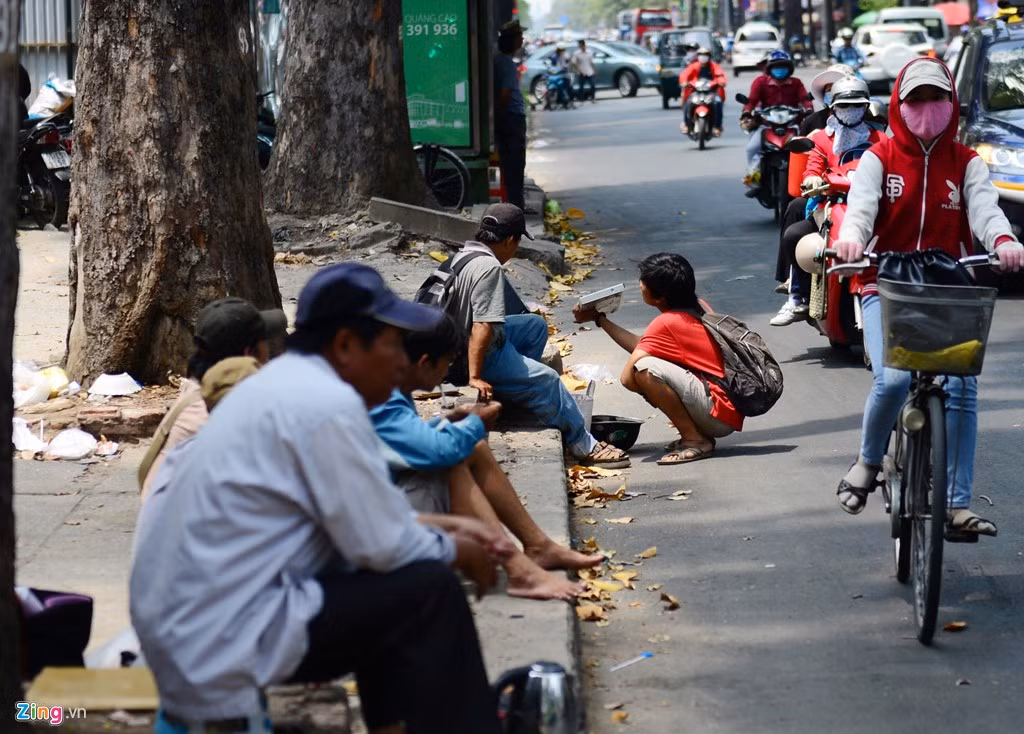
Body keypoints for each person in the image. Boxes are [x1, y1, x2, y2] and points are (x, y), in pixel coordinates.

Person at [131, 263, 510, 733]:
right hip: (216, 639)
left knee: (390, 591)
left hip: (188, 627)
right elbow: (381, 546)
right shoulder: (326, 403)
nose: (401, 361)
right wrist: (458, 548)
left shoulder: (286, 385)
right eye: (392, 344)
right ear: (346, 345)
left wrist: (452, 529)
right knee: (431, 590)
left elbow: (360, 524)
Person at [832, 58, 1024, 533]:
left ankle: (956, 505)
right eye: (915, 98)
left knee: (961, 387)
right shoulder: (879, 158)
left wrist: (1003, 240)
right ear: (899, 103)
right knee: (893, 380)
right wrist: (852, 240)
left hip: (946, 289)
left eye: (936, 97)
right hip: (885, 284)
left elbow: (986, 211)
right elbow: (859, 211)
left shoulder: (966, 162)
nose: (926, 106)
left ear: (951, 102)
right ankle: (867, 463)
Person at [371, 313, 603, 601]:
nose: (446, 373)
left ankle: (537, 545)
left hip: (388, 501)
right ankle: (519, 569)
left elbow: (402, 442)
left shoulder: (389, 388)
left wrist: (449, 421)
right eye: (447, 364)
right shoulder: (382, 397)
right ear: (424, 362)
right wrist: (474, 424)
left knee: (474, 447)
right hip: (378, 522)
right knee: (455, 462)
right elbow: (436, 452)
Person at [447, 203, 630, 468]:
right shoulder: (489, 268)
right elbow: (482, 326)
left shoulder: (465, 255)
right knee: (548, 379)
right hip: (476, 353)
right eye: (517, 243)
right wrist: (474, 377)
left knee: (534, 326)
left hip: (462, 341)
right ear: (510, 240)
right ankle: (584, 443)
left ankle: (515, 393)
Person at [573, 253, 743, 466]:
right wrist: (599, 319)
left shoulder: (666, 322)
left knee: (644, 371)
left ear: (659, 297)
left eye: (643, 281)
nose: (640, 284)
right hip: (725, 409)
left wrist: (649, 389)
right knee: (647, 363)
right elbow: (644, 345)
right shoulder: (696, 307)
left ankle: (695, 439)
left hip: (716, 415)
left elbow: (627, 379)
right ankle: (697, 433)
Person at [138, 297, 287, 498]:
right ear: (248, 354)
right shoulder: (213, 412)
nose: (268, 353)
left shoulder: (196, 388)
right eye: (264, 343)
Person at [771, 76, 886, 326]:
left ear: (866, 107)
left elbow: (893, 165)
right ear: (833, 108)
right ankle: (797, 297)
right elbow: (812, 167)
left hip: (875, 207)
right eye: (844, 106)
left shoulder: (880, 138)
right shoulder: (822, 138)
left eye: (856, 105)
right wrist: (812, 179)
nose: (850, 110)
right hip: (831, 206)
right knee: (793, 235)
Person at [741, 51, 813, 195]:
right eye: (776, 67)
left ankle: (808, 179)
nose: (780, 70)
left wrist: (809, 110)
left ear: (789, 68)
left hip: (792, 124)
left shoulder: (796, 83)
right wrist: (747, 112)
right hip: (766, 124)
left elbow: (805, 99)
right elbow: (752, 101)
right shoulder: (760, 82)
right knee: (752, 149)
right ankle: (754, 178)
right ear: (770, 68)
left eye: (783, 66)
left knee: (808, 148)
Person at [495, 20, 528, 209]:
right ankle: (516, 205)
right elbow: (505, 93)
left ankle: (516, 203)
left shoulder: (502, 61)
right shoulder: (506, 64)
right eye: (519, 36)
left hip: (509, 118)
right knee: (515, 163)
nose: (522, 40)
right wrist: (502, 115)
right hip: (512, 118)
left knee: (511, 162)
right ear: (512, 40)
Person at [678, 47, 727, 137]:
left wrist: (721, 81)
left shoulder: (714, 66)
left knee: (718, 103)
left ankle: (717, 126)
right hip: (696, 92)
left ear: (709, 56)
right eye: (701, 55)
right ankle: (687, 125)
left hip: (711, 92)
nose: (703, 57)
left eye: (705, 55)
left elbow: (720, 75)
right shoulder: (694, 66)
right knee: (688, 103)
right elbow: (685, 74)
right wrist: (684, 82)